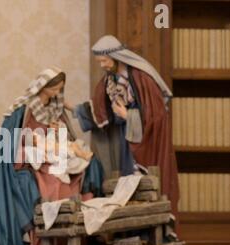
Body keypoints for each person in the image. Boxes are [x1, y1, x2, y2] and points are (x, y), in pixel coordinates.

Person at [0, 67, 103, 245]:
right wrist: (40, 140)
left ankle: (76, 228)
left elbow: (63, 132)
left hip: (53, 147)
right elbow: (18, 137)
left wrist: (56, 132)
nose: (57, 92)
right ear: (44, 86)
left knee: (81, 164)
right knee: (53, 178)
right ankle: (48, 234)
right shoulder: (25, 107)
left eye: (60, 89)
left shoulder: (56, 107)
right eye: (54, 88)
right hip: (33, 150)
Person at [67, 35, 179, 217]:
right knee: (126, 180)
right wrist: (73, 108)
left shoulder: (141, 78)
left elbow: (157, 115)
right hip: (123, 138)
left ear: (116, 56)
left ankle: (147, 224)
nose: (102, 65)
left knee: (143, 182)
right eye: (100, 61)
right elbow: (99, 108)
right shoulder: (110, 80)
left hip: (143, 140)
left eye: (104, 60)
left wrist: (128, 115)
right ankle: (130, 227)